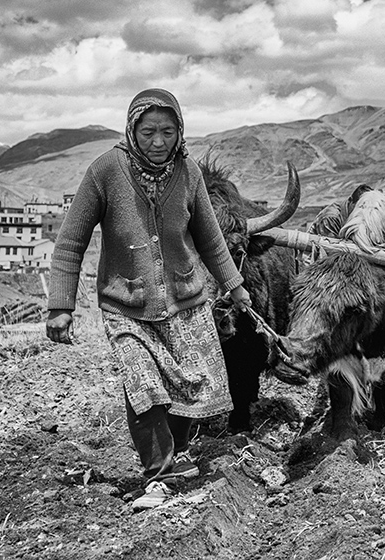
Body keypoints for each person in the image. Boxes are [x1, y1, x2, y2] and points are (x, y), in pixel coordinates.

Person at [45, 88, 251, 511]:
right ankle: (158, 469)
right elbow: (69, 243)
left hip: (185, 302)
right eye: (149, 131)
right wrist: (61, 306)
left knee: (187, 384)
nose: (159, 141)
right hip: (128, 305)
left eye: (168, 131)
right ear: (131, 129)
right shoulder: (104, 172)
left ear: (180, 131)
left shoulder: (189, 172)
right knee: (144, 386)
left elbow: (211, 241)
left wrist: (234, 284)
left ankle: (176, 452)